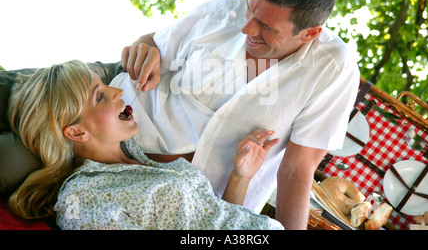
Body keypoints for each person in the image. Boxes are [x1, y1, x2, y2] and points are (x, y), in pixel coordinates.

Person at [118, 0, 360, 229]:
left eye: (267, 27)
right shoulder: (221, 10)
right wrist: (142, 47)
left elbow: (297, 170)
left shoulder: (333, 69)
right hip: (115, 149)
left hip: (199, 212)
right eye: (249, 9)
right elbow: (153, 42)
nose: (246, 28)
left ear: (310, 33)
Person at [7, 60, 283, 229]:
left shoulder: (139, 156)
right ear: (77, 133)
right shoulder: (82, 199)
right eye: (100, 96)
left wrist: (240, 176)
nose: (118, 92)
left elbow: (218, 222)